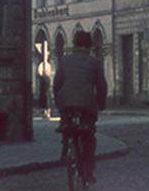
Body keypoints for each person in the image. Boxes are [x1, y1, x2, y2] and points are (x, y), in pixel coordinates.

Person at [53, 30, 107, 185]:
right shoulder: (95, 63)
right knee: (88, 135)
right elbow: (101, 86)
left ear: (74, 44)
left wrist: (59, 103)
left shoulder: (63, 61)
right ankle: (88, 171)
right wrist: (101, 104)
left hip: (66, 103)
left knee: (67, 125)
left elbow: (56, 85)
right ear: (89, 46)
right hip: (86, 103)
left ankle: (65, 147)